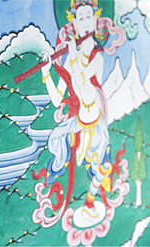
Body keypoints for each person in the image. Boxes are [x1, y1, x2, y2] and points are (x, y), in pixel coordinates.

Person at [40, 0, 125, 225]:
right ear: (73, 24)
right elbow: (59, 99)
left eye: (90, 17)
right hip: (77, 120)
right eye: (81, 18)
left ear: (96, 21)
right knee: (58, 145)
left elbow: (81, 83)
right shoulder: (69, 59)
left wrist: (73, 55)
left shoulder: (96, 56)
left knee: (102, 164)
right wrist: (47, 73)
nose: (86, 23)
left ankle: (89, 202)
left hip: (94, 117)